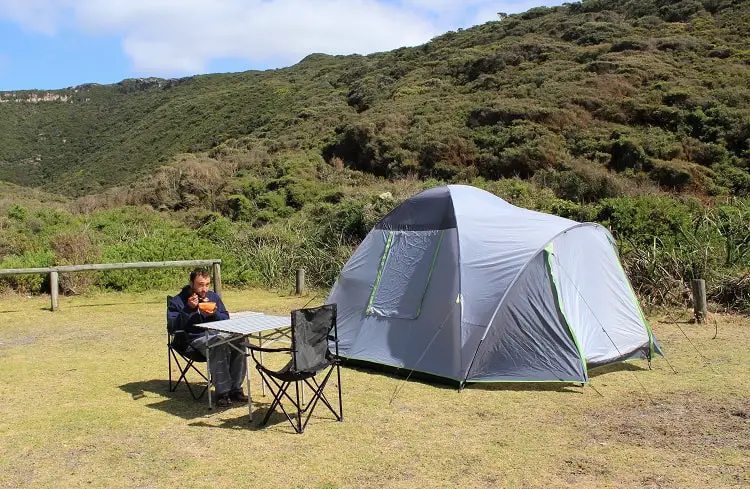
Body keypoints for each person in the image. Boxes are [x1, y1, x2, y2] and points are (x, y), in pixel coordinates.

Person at [167, 267, 248, 407]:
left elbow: (225, 317)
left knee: (241, 338)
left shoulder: (213, 297)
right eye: (200, 284)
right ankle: (223, 393)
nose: (204, 289)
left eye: (207, 284)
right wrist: (188, 309)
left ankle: (236, 389)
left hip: (216, 334)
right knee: (218, 343)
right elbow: (172, 327)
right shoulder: (177, 301)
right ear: (191, 283)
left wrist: (214, 313)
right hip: (192, 340)